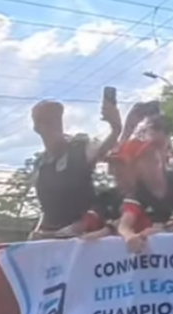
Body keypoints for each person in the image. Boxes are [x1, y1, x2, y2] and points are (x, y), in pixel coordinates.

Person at [28, 98, 122, 240]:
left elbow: (102, 150)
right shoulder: (40, 164)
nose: (53, 126)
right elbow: (46, 207)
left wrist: (116, 129)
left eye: (56, 120)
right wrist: (37, 230)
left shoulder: (79, 149)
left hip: (84, 236)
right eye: (46, 122)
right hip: (50, 237)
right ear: (37, 128)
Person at [112, 125, 173, 253]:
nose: (152, 158)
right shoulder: (137, 193)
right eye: (144, 157)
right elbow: (124, 226)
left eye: (150, 153)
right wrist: (129, 236)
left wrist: (162, 231)